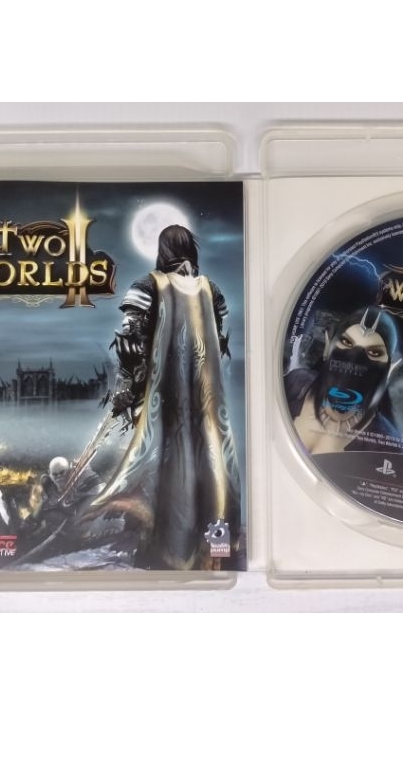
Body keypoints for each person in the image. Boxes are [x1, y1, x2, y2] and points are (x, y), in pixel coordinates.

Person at [85, 225, 241, 571]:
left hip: (166, 398)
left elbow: (130, 341)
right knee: (212, 462)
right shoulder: (212, 290)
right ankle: (212, 548)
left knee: (164, 464)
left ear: (163, 251)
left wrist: (127, 387)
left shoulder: (147, 285)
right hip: (207, 400)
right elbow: (219, 340)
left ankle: (170, 551)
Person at [285, 306, 401, 454]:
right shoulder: (296, 383)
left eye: (374, 352)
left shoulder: (387, 444)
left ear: (390, 368)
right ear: (329, 346)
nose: (354, 358)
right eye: (346, 342)